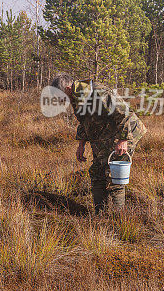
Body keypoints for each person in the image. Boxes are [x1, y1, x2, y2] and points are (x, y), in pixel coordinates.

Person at [51, 73, 147, 213]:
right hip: (105, 135)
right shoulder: (75, 97)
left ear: (67, 88)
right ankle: (100, 214)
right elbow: (85, 121)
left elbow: (124, 113)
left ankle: (117, 217)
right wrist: (81, 143)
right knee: (97, 172)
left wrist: (123, 140)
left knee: (114, 175)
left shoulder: (98, 92)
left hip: (126, 131)